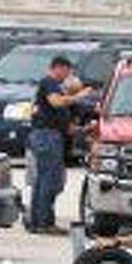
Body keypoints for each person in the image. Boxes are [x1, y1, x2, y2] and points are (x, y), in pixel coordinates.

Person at [26, 56, 84, 234]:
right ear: (58, 68)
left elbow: (60, 116)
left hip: (49, 135)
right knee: (50, 180)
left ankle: (36, 221)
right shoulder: (49, 82)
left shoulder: (54, 86)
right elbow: (56, 102)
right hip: (47, 136)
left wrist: (80, 128)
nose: (67, 76)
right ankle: (44, 222)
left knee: (43, 180)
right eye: (67, 71)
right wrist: (77, 96)